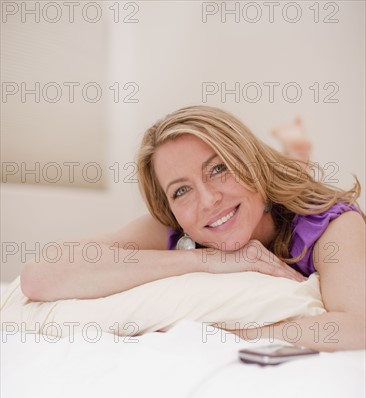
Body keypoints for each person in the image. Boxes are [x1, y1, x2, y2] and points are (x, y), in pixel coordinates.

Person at [20, 105, 365, 351]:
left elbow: (358, 327)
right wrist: (207, 261)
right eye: (181, 190)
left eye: (218, 169)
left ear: (249, 159)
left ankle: (295, 152)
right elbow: (40, 277)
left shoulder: (333, 225)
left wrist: (231, 334)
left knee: (289, 183)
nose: (208, 200)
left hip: (285, 198)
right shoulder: (178, 231)